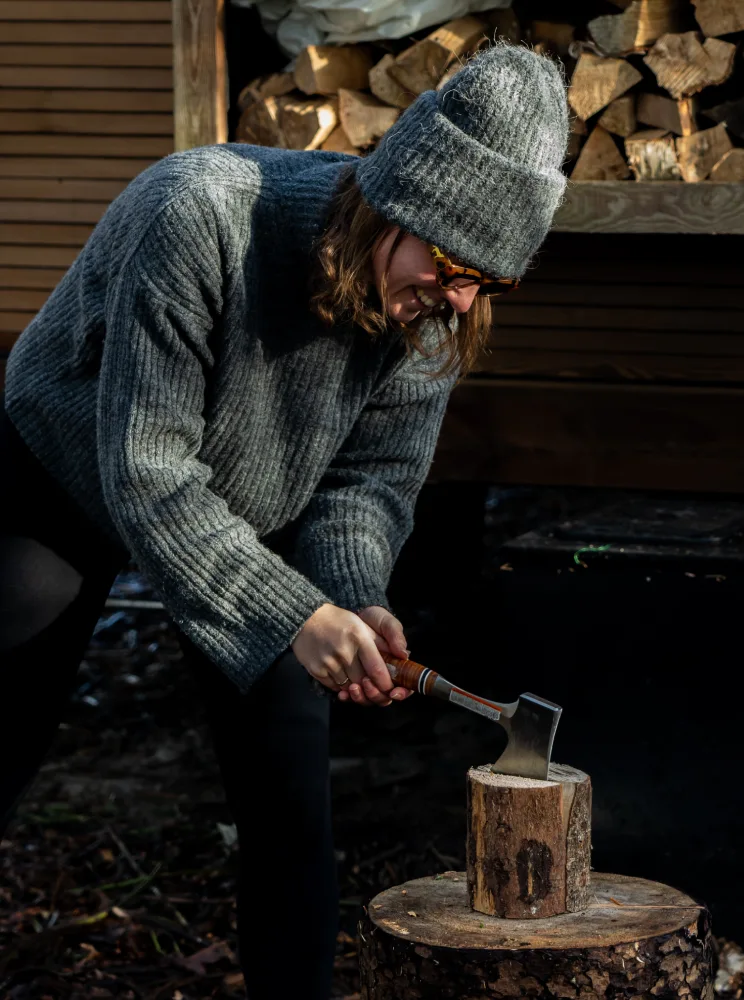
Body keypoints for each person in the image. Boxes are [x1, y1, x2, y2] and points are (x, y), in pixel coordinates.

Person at [0, 43, 568, 998]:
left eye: (491, 283)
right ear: (400, 204)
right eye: (455, 265)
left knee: (291, 804)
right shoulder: (199, 213)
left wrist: (348, 599)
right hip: (63, 473)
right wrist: (291, 615)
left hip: (250, 503)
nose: (463, 299)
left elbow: (369, 482)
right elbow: (145, 468)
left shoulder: (436, 313)